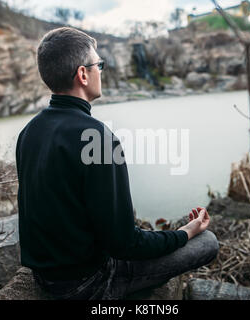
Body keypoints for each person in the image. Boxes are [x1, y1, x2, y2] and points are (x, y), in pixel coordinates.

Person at [15, 27, 219, 300]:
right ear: (83, 74)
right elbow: (125, 245)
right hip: (87, 285)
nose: (101, 70)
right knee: (207, 243)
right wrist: (185, 233)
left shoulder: (29, 131)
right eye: (98, 64)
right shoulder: (98, 139)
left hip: (46, 278)